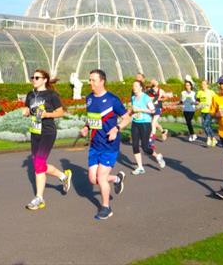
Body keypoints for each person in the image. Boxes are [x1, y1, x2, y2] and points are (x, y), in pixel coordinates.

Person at [79, 69, 128, 220]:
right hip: (95, 145)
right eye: (89, 80)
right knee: (93, 180)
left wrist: (116, 128)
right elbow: (92, 118)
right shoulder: (89, 99)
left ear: (102, 81)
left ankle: (106, 207)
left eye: (93, 80)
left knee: (100, 178)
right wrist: (87, 127)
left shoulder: (113, 100)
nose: (90, 83)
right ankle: (116, 179)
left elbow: (126, 118)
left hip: (109, 145)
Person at [22, 69, 72, 210]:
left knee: (38, 164)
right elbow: (27, 108)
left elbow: (60, 112)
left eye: (37, 77)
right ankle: (63, 176)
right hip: (35, 132)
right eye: (33, 77)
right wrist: (25, 112)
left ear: (45, 80)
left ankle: (39, 198)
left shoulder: (51, 94)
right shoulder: (30, 94)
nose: (34, 80)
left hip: (48, 132)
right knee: (39, 165)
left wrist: (47, 115)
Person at [129, 80, 165, 174]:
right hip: (135, 123)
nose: (134, 88)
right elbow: (133, 110)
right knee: (135, 145)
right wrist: (131, 113)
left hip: (145, 123)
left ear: (141, 87)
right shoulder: (133, 98)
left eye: (136, 86)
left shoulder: (145, 97)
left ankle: (157, 156)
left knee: (145, 148)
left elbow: (153, 110)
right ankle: (140, 167)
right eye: (133, 86)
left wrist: (140, 109)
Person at [197, 79, 216, 147]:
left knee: (205, 125)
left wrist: (211, 105)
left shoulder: (211, 92)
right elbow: (198, 101)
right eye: (202, 84)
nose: (203, 85)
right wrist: (198, 104)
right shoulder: (199, 92)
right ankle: (213, 138)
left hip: (210, 111)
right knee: (208, 126)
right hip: (203, 111)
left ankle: (208, 138)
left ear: (207, 85)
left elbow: (215, 101)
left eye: (204, 84)